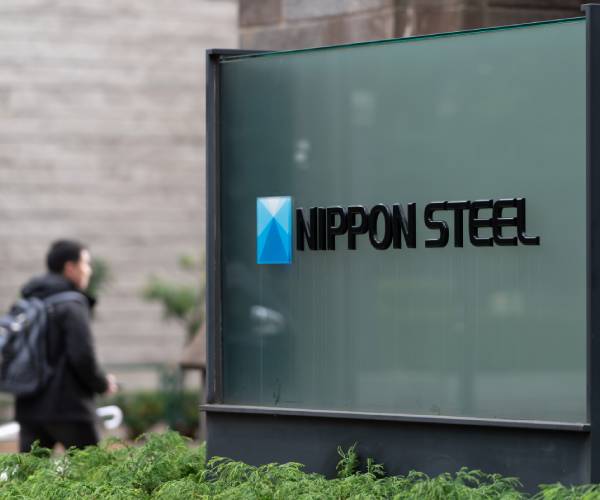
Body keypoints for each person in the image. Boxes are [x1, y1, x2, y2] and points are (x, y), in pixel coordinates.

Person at [16, 239, 118, 452]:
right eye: (86, 263)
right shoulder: (71, 304)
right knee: (93, 469)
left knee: (29, 471)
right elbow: (82, 356)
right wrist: (102, 384)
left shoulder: (29, 302)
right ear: (70, 267)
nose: (89, 271)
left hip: (29, 406)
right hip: (68, 407)